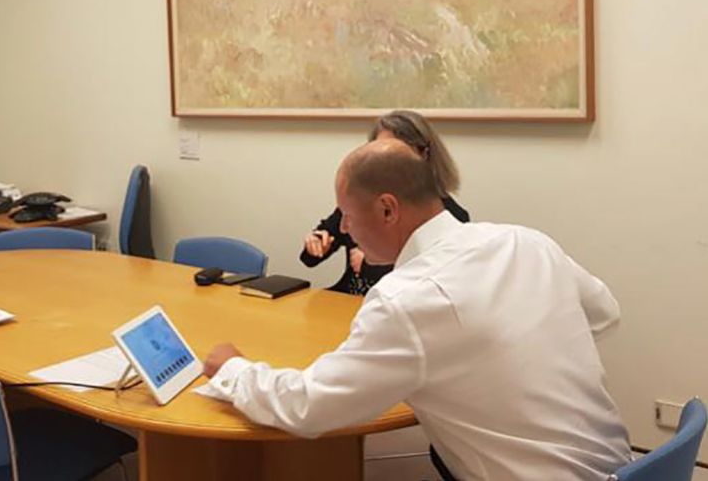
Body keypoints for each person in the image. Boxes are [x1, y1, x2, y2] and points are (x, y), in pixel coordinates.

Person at [204, 140, 630, 480]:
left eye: (348, 215)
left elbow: (309, 407)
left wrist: (234, 370)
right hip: (628, 468)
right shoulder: (525, 241)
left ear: (388, 209)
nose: (345, 229)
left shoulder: (406, 299)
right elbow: (604, 312)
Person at [301, 110, 469, 295]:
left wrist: (368, 266)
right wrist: (316, 242)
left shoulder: (447, 216)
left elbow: (434, 280)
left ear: (424, 154)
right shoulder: (360, 201)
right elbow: (311, 258)